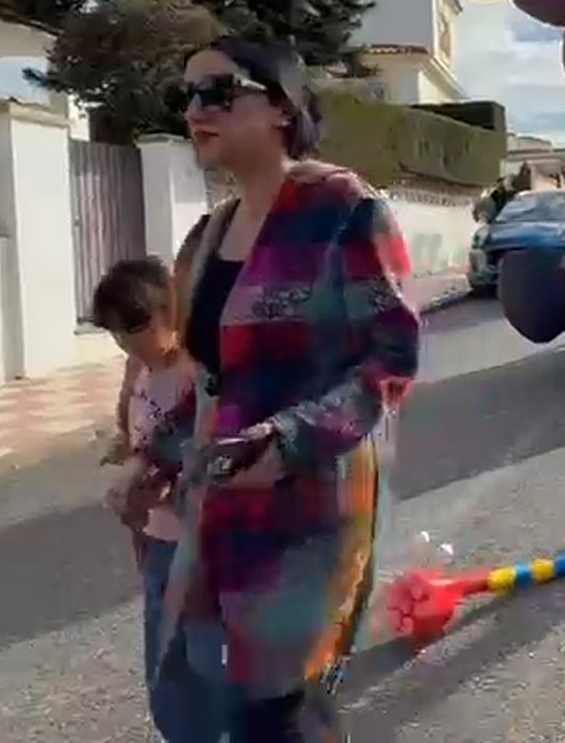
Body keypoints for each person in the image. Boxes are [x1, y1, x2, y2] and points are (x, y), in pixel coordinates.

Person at [151, 36, 422, 741]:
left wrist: (292, 436)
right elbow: (204, 377)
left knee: (278, 707)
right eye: (186, 96)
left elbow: (390, 359)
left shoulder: (342, 208)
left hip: (310, 511)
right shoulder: (205, 237)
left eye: (216, 92)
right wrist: (148, 459)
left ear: (279, 106)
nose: (194, 112)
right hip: (218, 507)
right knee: (208, 696)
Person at [95, 257, 227, 743]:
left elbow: (213, 454)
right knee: (165, 660)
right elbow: (136, 426)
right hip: (155, 540)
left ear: (170, 310)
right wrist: (124, 447)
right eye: (115, 334)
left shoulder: (198, 374)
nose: (127, 343)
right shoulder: (140, 370)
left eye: (135, 328)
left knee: (208, 654)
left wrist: (164, 486)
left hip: (201, 544)